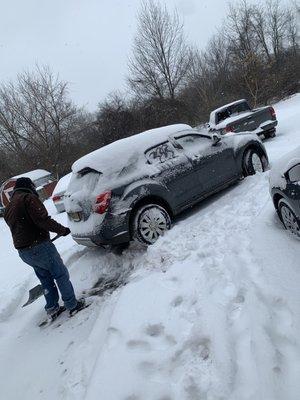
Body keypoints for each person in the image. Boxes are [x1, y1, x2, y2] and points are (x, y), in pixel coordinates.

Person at [4, 177, 85, 318]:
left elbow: (21, 226)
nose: (35, 189)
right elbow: (43, 220)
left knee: (45, 279)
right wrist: (63, 230)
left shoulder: (9, 206)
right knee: (60, 275)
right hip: (39, 247)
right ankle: (72, 305)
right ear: (29, 186)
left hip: (24, 253)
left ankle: (52, 307)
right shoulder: (28, 198)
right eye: (33, 186)